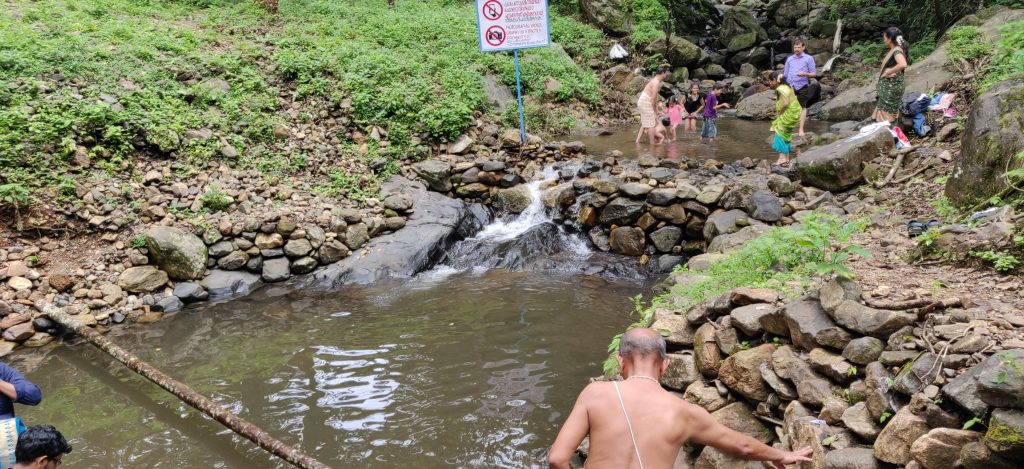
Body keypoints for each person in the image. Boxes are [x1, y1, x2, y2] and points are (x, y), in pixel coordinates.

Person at [549, 328, 813, 469]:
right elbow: (742, 446)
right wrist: (779, 455)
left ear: (621, 363)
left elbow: (558, 459)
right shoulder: (685, 412)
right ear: (664, 366)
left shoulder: (596, 394)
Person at [873, 27, 910, 123]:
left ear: (890, 39)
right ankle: (887, 133)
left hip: (891, 88)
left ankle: (888, 134)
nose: (884, 40)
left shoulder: (897, 50)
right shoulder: (894, 49)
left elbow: (902, 64)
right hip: (889, 87)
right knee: (886, 111)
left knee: (887, 113)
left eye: (885, 37)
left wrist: (889, 71)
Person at [782, 38, 817, 137]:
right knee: (787, 107)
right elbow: (785, 74)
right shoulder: (789, 59)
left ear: (803, 47)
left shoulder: (809, 58)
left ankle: (801, 130)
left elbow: (814, 74)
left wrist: (805, 74)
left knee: (802, 107)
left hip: (802, 85)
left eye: (798, 47)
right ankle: (787, 128)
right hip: (790, 85)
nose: (796, 49)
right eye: (795, 47)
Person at [768, 70, 802, 166]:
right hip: (795, 113)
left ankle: (782, 158)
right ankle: (787, 158)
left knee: (780, 133)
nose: (770, 83)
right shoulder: (788, 86)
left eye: (770, 81)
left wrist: (780, 112)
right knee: (786, 135)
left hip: (788, 114)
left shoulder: (780, 89)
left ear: (775, 80)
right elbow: (791, 98)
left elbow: (785, 103)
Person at [635, 65, 671, 144]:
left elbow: (655, 96)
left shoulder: (655, 80)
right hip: (646, 102)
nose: (666, 75)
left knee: (645, 122)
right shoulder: (656, 82)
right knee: (651, 124)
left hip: (642, 102)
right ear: (662, 73)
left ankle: (637, 141)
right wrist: (655, 110)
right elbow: (653, 98)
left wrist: (657, 109)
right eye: (666, 73)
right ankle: (652, 144)